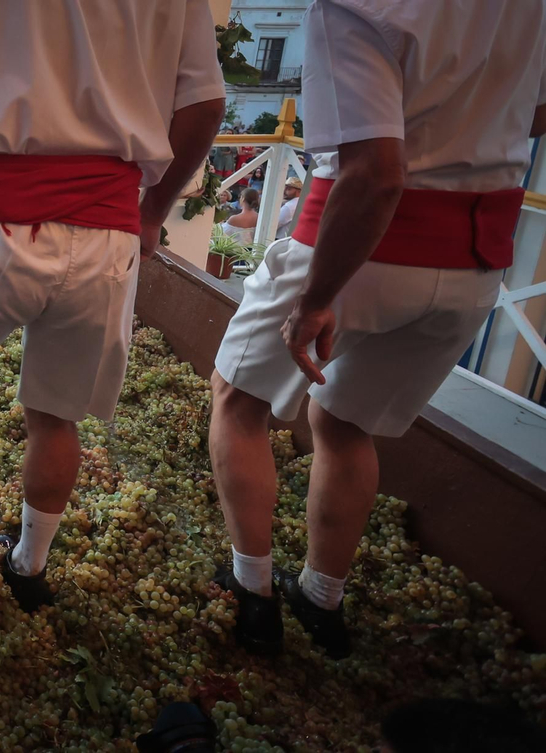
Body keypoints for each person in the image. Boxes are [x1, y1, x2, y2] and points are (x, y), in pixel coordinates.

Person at [210, 0, 546, 659]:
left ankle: (253, 594)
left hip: (364, 246)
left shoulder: (355, 7)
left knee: (238, 398)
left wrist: (317, 297)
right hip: (475, 257)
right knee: (343, 422)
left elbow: (375, 173)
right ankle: (322, 599)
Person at [0, 0, 224, 613]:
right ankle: (29, 566)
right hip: (106, 229)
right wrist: (152, 211)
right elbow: (204, 104)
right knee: (56, 414)